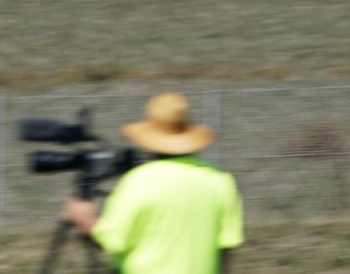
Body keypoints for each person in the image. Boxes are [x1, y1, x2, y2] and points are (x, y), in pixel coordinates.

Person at [62, 93, 242, 274]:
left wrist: (84, 218)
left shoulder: (138, 181)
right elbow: (227, 245)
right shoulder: (220, 180)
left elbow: (114, 240)